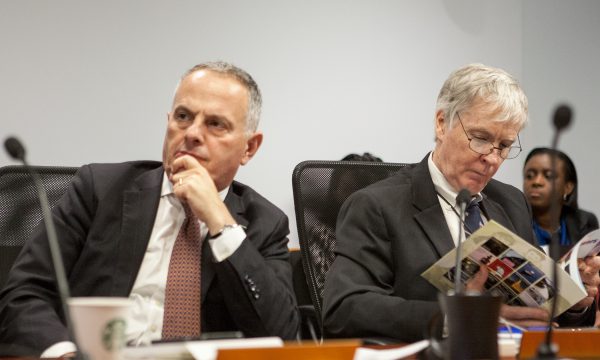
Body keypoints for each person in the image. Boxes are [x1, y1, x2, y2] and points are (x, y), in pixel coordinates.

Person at [0, 61, 300, 357]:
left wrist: (220, 221)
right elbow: (25, 292)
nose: (192, 133)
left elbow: (280, 335)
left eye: (215, 124)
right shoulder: (100, 190)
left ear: (249, 148)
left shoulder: (265, 223)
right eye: (183, 117)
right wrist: (64, 355)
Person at [322, 63, 600, 342]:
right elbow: (344, 308)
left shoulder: (512, 202)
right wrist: (455, 319)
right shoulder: (376, 206)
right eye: (480, 139)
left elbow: (531, 309)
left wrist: (575, 303)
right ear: (442, 124)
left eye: (503, 146)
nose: (492, 159)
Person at [523, 147, 599, 254]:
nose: (536, 182)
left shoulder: (584, 221)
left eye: (548, 176)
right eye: (529, 176)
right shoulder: (513, 220)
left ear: (568, 187)